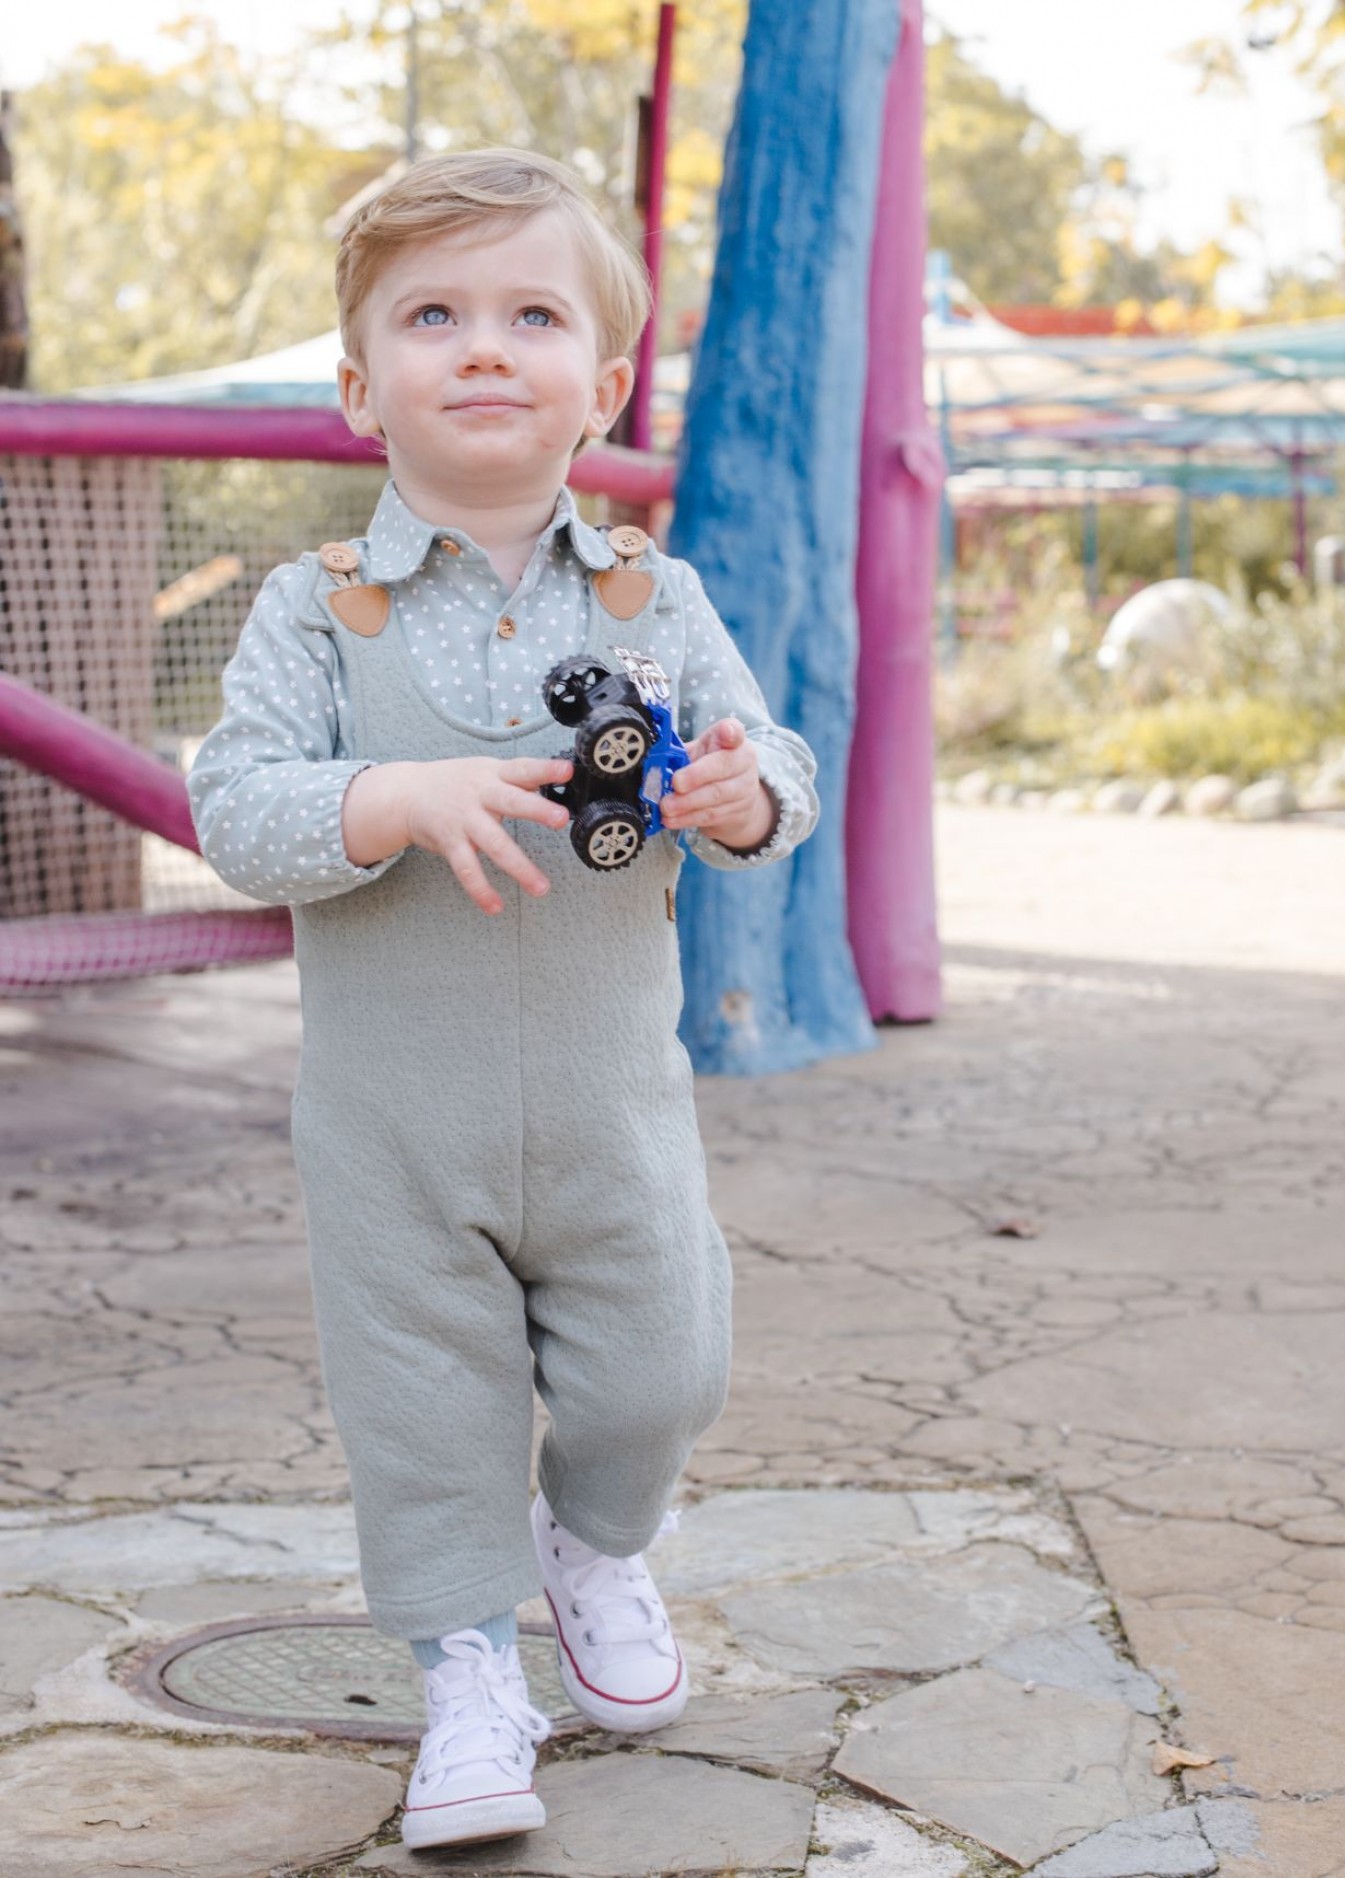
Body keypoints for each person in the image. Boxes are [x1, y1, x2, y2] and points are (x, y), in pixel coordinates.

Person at [187, 147, 817, 1851]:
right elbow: (231, 804)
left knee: (662, 1370)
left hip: (617, 1103)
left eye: (531, 314)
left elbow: (784, 774)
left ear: (599, 386)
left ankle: (598, 1536)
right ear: (356, 383)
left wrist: (739, 793)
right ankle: (467, 1673)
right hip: (399, 1121)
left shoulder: (655, 598)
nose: (482, 347)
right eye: (432, 315)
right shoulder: (317, 612)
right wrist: (388, 798)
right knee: (425, 1405)